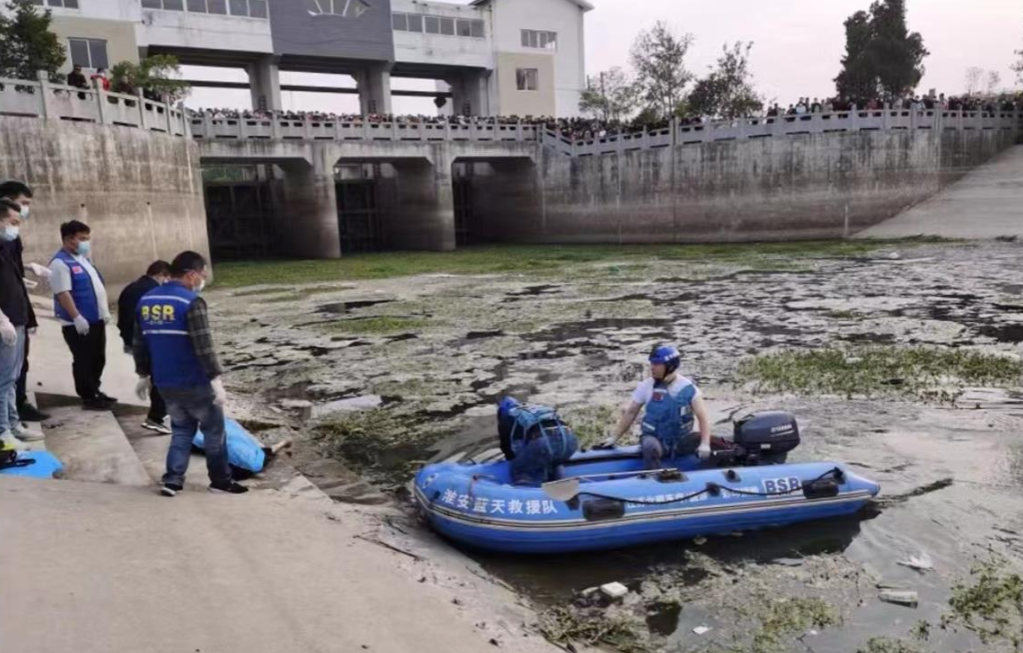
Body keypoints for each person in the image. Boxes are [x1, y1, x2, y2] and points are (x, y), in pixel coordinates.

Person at [133, 251, 247, 496]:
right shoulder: (191, 302)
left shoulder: (146, 300)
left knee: (182, 430)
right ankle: (221, 481)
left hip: (164, 381)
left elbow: (140, 342)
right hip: (195, 381)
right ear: (191, 274)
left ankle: (173, 480)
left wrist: (143, 374)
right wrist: (216, 380)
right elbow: (203, 345)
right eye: (202, 275)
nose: (202, 280)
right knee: (214, 433)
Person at [600, 345, 712, 470]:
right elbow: (631, 412)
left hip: (681, 440)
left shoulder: (689, 389)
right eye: (652, 363)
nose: (652, 368)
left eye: (657, 364)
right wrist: (614, 437)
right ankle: (655, 475)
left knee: (709, 441)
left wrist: (705, 444)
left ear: (670, 366)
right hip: (655, 438)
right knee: (650, 447)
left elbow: (703, 419)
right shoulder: (646, 386)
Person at [49, 220, 115, 410]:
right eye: (83, 239)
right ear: (69, 239)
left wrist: (104, 312)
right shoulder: (60, 263)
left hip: (95, 319)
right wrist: (76, 317)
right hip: (78, 322)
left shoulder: (83, 260)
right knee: (84, 359)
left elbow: (95, 287)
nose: (87, 242)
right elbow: (63, 293)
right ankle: (88, 396)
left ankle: (95, 389)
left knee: (98, 358)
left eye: (88, 238)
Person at [0, 180, 50, 422]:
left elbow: (11, 273)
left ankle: (14, 417)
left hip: (16, 310)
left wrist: (25, 273)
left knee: (15, 370)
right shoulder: (5, 239)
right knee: (6, 376)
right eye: (23, 204)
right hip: (7, 315)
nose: (25, 210)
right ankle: (8, 424)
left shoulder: (10, 239)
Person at [117, 260, 171, 434]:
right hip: (147, 340)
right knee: (162, 377)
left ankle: (160, 412)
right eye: (167, 278)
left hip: (133, 338)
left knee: (155, 376)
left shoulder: (131, 288)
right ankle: (156, 417)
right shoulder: (153, 292)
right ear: (162, 275)